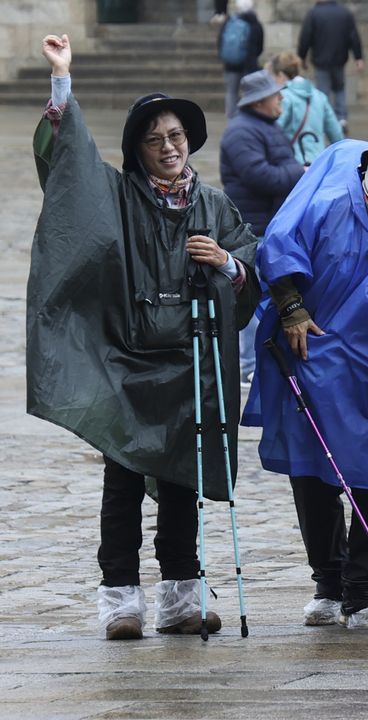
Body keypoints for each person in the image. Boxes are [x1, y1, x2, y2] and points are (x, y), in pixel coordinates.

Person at [29, 34, 259, 640]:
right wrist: (62, 81)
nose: (168, 147)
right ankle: (120, 599)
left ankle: (182, 597)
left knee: (187, 477)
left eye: (177, 136)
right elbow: (68, 167)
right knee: (124, 480)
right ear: (137, 149)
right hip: (127, 361)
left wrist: (226, 266)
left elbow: (250, 273)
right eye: (155, 139)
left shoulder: (213, 206)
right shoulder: (117, 198)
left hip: (193, 358)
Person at [243, 123, 368, 629]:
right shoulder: (328, 202)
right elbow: (279, 251)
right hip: (311, 349)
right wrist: (290, 308)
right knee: (312, 468)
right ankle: (328, 580)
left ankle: (367, 588)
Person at [220, 69, 307, 384]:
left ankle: (260, 360)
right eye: (276, 94)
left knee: (268, 295)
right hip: (254, 227)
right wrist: (300, 171)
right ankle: (247, 366)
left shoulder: (265, 127)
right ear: (259, 102)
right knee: (251, 296)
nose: (281, 99)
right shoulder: (242, 132)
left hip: (270, 224)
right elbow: (261, 176)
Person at [268, 51, 345, 165]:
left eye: (273, 77)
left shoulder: (284, 98)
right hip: (318, 164)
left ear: (280, 75)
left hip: (292, 165)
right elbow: (337, 135)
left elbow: (273, 134)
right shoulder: (320, 96)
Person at [297, 0, 364, 127]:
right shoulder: (345, 13)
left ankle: (326, 120)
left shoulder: (313, 14)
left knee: (323, 91)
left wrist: (302, 57)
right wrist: (358, 57)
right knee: (339, 89)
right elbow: (353, 37)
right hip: (339, 59)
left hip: (320, 60)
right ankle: (341, 118)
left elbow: (305, 37)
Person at [217, 0, 264, 119]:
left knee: (231, 93)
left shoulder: (230, 22)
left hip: (230, 64)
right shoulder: (255, 24)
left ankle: (231, 119)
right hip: (249, 66)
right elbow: (260, 46)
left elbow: (220, 42)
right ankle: (246, 119)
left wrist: (226, 57)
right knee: (248, 93)